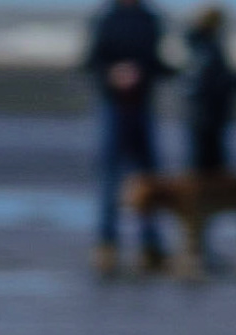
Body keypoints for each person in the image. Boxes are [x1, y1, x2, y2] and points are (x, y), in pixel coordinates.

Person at [83, 0, 176, 275]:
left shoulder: (151, 18)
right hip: (113, 105)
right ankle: (106, 245)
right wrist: (112, 74)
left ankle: (151, 246)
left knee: (149, 176)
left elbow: (156, 62)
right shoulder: (106, 18)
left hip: (142, 104)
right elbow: (92, 60)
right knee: (111, 175)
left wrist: (154, 72)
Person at [183, 5, 236, 175]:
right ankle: (204, 199)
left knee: (205, 160)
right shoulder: (206, 47)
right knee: (207, 163)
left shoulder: (201, 44)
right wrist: (235, 82)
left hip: (204, 111)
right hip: (206, 112)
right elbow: (208, 80)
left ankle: (207, 198)